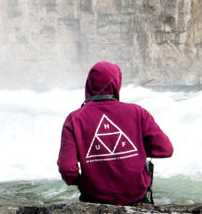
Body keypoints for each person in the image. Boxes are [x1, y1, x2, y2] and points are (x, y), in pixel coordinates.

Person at [57, 61, 173, 205]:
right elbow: (165, 150)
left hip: (94, 199)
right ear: (116, 84)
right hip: (135, 197)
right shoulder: (138, 113)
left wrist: (80, 182)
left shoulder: (74, 119)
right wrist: (134, 153)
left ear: (89, 84)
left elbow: (67, 168)